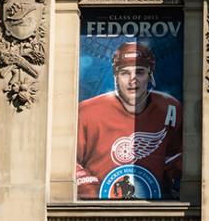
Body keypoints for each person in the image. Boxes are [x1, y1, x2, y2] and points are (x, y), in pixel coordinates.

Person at [76, 41, 183, 200]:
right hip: (97, 213)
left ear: (150, 75)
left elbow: (178, 156)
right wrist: (91, 189)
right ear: (116, 77)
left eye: (140, 72)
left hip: (154, 213)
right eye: (125, 73)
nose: (133, 79)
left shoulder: (170, 108)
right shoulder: (87, 111)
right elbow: (66, 159)